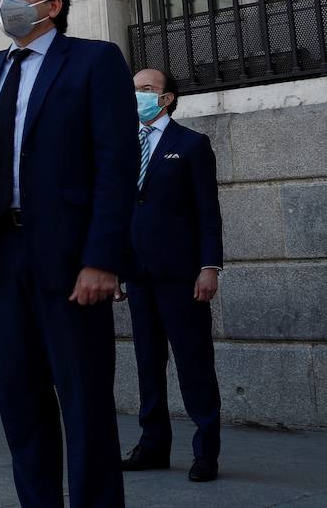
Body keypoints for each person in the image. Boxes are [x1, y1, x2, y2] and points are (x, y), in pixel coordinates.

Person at [0, 0, 136, 508]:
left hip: (70, 260)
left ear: (51, 4)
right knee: (21, 402)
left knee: (84, 403)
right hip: (2, 260)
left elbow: (116, 166)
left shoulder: (94, 62)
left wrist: (102, 259)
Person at [120, 69, 224, 483]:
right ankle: (153, 445)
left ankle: (206, 453)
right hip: (139, 276)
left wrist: (209, 266)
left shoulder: (192, 145)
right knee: (148, 364)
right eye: (134, 90)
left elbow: (207, 212)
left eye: (146, 90)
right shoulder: (125, 148)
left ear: (166, 99)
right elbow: (121, 211)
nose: (138, 96)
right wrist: (115, 267)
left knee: (194, 363)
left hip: (183, 276)